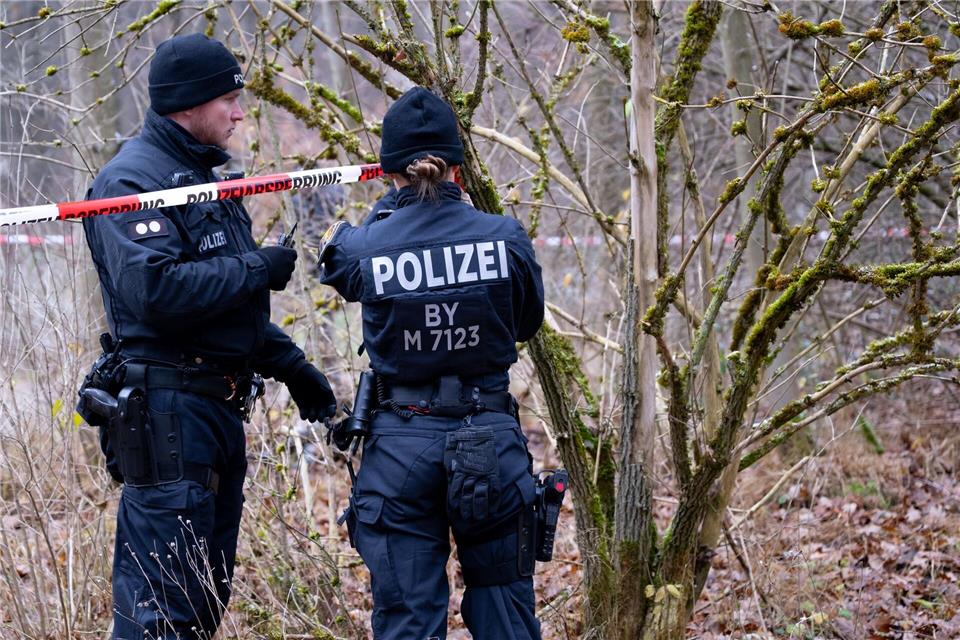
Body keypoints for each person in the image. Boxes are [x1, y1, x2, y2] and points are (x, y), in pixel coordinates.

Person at [80, 33, 337, 639]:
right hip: (169, 418)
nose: (241, 112)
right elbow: (158, 293)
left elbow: (226, 315)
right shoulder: (129, 183)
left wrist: (294, 367)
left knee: (200, 604)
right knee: (160, 613)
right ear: (189, 103)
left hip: (216, 416)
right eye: (229, 98)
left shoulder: (206, 182)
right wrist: (257, 267)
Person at [318, 87, 545, 640]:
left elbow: (335, 260)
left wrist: (392, 208)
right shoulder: (504, 238)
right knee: (506, 615)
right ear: (459, 166)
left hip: (401, 448)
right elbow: (526, 323)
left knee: (408, 622)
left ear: (388, 170)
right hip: (488, 435)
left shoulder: (368, 245)